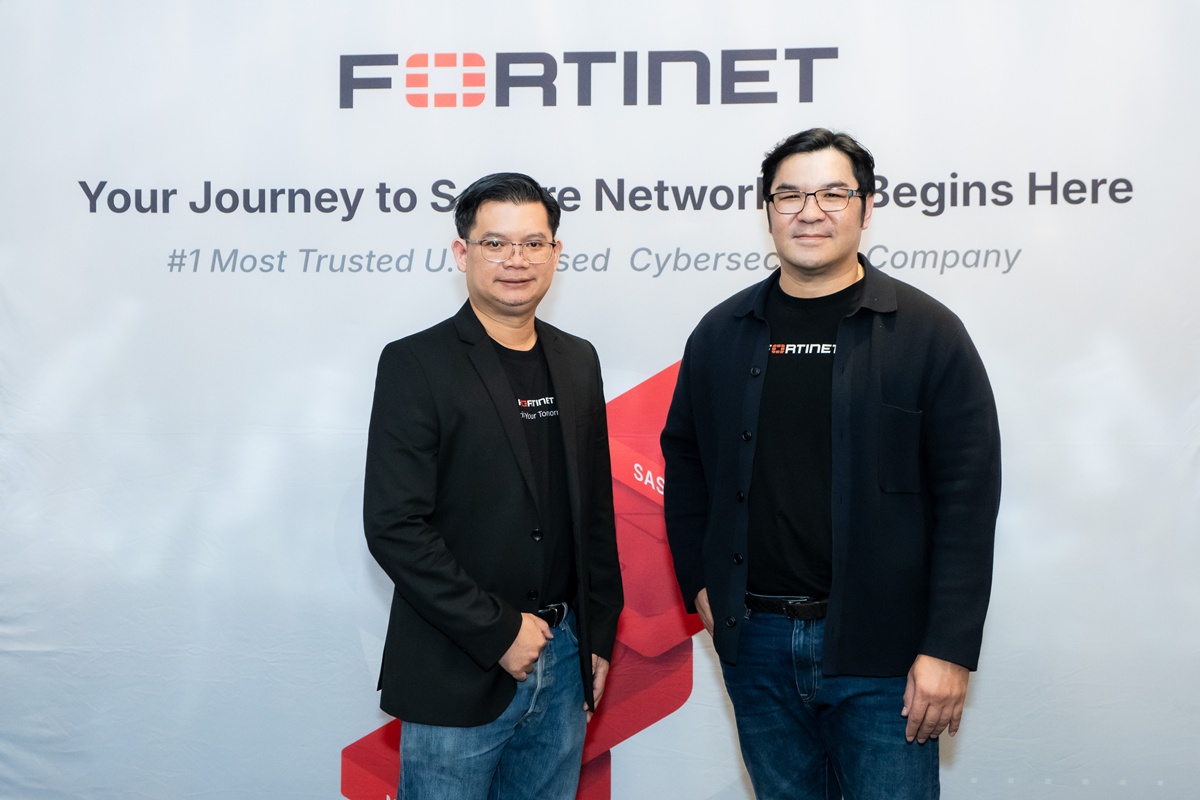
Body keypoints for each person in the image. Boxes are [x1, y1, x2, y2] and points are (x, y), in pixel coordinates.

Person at [660, 129, 1001, 800]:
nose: (809, 212)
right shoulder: (722, 333)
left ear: (866, 208)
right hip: (757, 645)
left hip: (888, 652)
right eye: (789, 195)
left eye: (832, 194)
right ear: (767, 210)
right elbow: (688, 461)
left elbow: (967, 497)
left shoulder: (927, 333)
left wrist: (949, 648)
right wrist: (700, 583)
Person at [363, 172, 623, 799]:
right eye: (496, 243)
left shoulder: (578, 359)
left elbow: (594, 513)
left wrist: (597, 634)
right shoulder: (415, 363)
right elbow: (395, 526)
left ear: (556, 252)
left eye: (534, 243)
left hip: (565, 660)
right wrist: (499, 631)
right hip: (458, 663)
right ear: (463, 253)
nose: (517, 260)